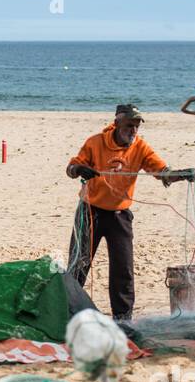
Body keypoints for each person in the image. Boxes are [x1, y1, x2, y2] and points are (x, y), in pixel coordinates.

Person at [65, 103, 186, 322]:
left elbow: (161, 171)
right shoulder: (95, 142)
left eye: (137, 126)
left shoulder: (140, 147)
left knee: (123, 269)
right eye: (129, 125)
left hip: (120, 215)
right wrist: (79, 169)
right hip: (90, 212)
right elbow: (71, 168)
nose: (133, 130)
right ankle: (67, 310)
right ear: (117, 123)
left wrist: (180, 175)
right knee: (78, 264)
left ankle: (123, 318)